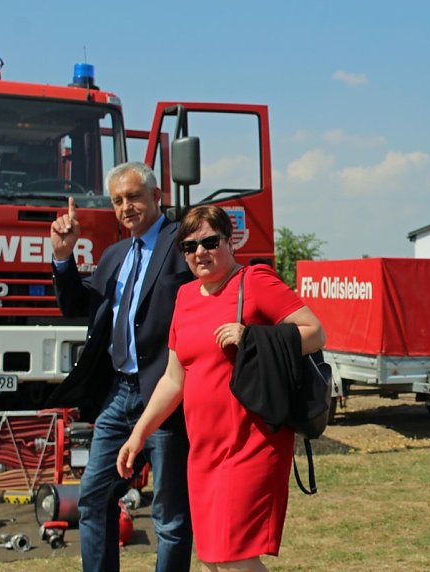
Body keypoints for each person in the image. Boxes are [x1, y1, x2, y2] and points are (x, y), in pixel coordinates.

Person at [116, 205, 325, 572]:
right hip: (204, 452)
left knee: (235, 558)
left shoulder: (254, 281)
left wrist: (252, 338)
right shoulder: (185, 297)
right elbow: (173, 379)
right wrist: (138, 434)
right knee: (212, 559)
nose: (200, 252)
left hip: (252, 444)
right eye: (190, 246)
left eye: (210, 242)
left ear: (230, 243)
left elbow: (314, 332)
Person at [46, 161, 193, 571]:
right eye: (118, 201)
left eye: (134, 197)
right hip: (118, 395)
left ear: (157, 197)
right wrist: (63, 257)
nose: (126, 207)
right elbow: (78, 306)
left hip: (165, 396)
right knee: (93, 499)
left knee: (169, 515)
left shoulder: (182, 241)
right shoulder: (114, 255)